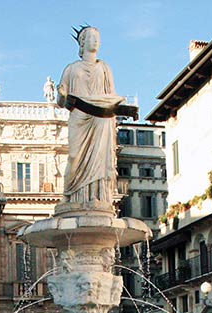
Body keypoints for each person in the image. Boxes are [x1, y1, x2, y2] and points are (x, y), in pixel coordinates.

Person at [56, 26, 134, 210]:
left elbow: (111, 96)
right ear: (82, 42)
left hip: (101, 118)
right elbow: (61, 100)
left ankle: (98, 196)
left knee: (100, 157)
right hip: (80, 117)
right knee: (75, 157)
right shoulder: (71, 68)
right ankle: (70, 195)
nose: (96, 40)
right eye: (91, 37)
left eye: (97, 37)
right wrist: (61, 93)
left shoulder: (104, 68)